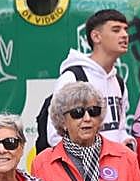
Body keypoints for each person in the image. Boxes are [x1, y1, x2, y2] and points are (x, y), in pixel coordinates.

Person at [34, 83, 140, 181]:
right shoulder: (43, 163)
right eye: (77, 113)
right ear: (62, 121)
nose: (87, 118)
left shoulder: (125, 156)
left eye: (94, 111)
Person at [46, 9, 133, 150]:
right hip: (85, 167)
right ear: (96, 36)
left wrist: (126, 143)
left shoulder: (118, 81)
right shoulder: (73, 77)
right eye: (116, 30)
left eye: (125, 30)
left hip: (114, 167)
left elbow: (119, 129)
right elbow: (55, 133)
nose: (124, 35)